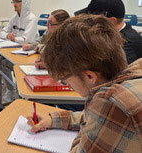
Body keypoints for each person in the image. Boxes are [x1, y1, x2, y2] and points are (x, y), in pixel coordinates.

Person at [27, 14, 142, 152]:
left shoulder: (112, 101)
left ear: (89, 76)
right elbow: (94, 117)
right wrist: (53, 120)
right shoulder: (134, 72)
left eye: (66, 79)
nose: (67, 85)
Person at [0, 0, 38, 102]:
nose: (14, 4)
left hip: (26, 52)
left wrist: (13, 38)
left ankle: (11, 91)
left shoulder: (31, 18)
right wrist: (8, 35)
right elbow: (2, 33)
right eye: (13, 1)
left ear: (25, 3)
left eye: (17, 1)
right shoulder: (14, 18)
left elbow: (26, 40)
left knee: (3, 64)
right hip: (12, 49)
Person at [75, 0, 142, 64]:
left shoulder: (126, 44)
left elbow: (120, 73)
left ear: (111, 21)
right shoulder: (114, 34)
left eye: (92, 20)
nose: (89, 23)